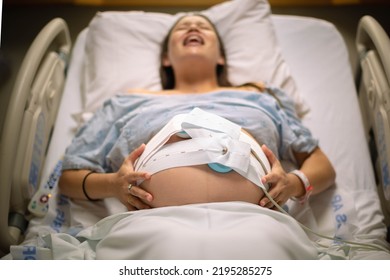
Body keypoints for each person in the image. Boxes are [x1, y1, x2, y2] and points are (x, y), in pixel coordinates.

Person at [58, 14, 336, 212]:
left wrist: (294, 183)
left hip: (259, 221)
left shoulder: (259, 96)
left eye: (204, 26)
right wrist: (112, 185)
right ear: (166, 58)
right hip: (151, 225)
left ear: (221, 57)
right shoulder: (126, 101)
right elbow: (69, 177)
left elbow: (321, 165)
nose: (192, 25)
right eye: (182, 27)